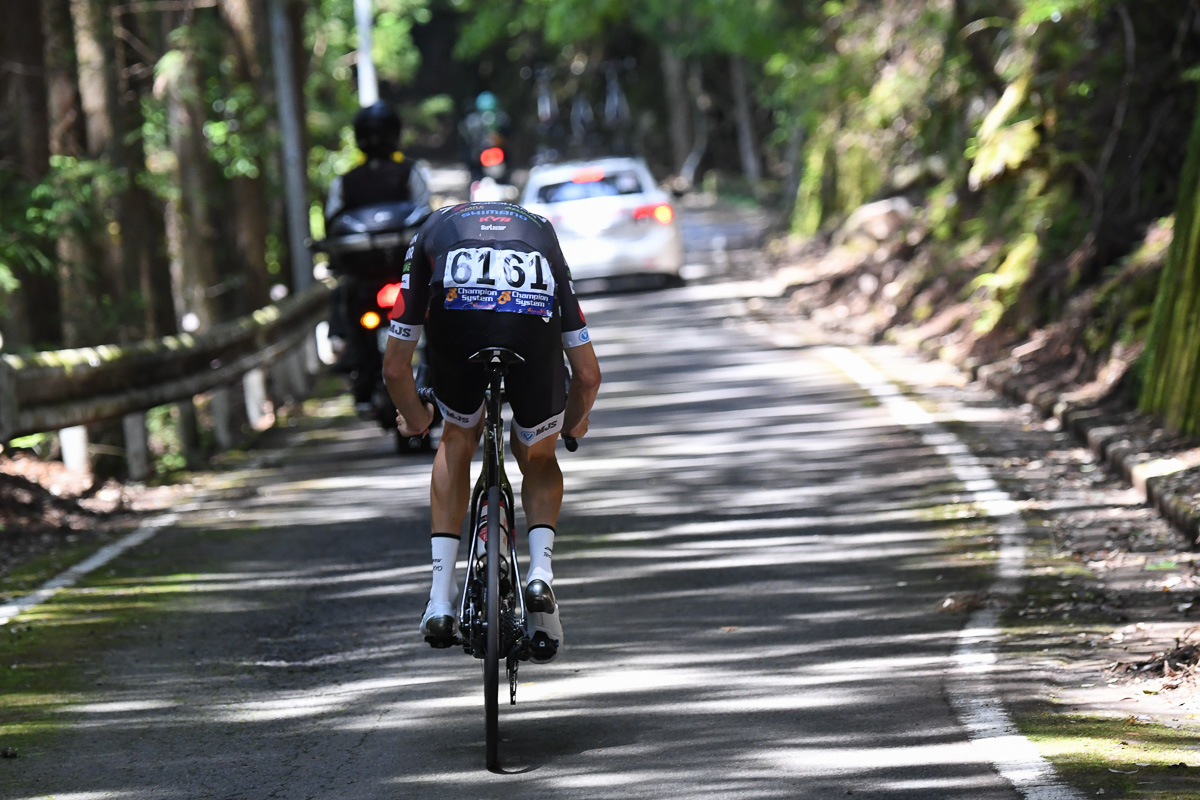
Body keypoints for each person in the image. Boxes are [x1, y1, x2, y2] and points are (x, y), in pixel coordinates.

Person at [382, 201, 601, 663]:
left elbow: (395, 366)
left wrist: (418, 422)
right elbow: (587, 376)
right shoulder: (541, 231)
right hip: (529, 325)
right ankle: (540, 572)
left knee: (458, 436)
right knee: (538, 455)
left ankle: (440, 600)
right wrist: (573, 420)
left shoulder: (434, 228)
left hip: (458, 326)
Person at [324, 101, 431, 376]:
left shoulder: (345, 181)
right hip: (409, 274)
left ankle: (346, 352)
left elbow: (331, 223)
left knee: (342, 295)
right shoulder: (410, 172)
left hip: (367, 277)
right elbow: (429, 215)